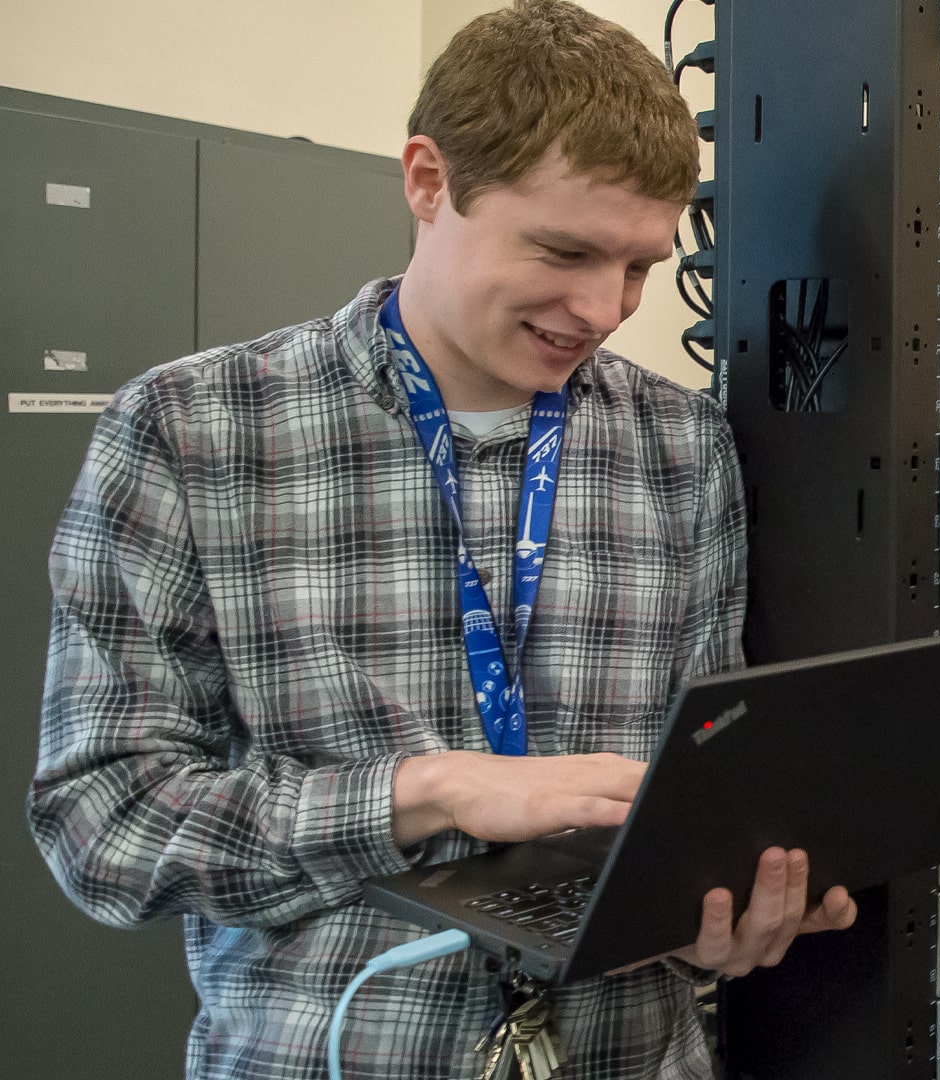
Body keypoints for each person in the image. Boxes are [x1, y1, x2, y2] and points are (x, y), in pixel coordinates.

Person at [27, 3, 854, 1077]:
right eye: (564, 251)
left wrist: (723, 907)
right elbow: (102, 825)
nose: (602, 308)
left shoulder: (682, 446)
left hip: (628, 1051)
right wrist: (424, 792)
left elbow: (706, 779)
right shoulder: (193, 430)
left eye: (639, 268)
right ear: (428, 180)